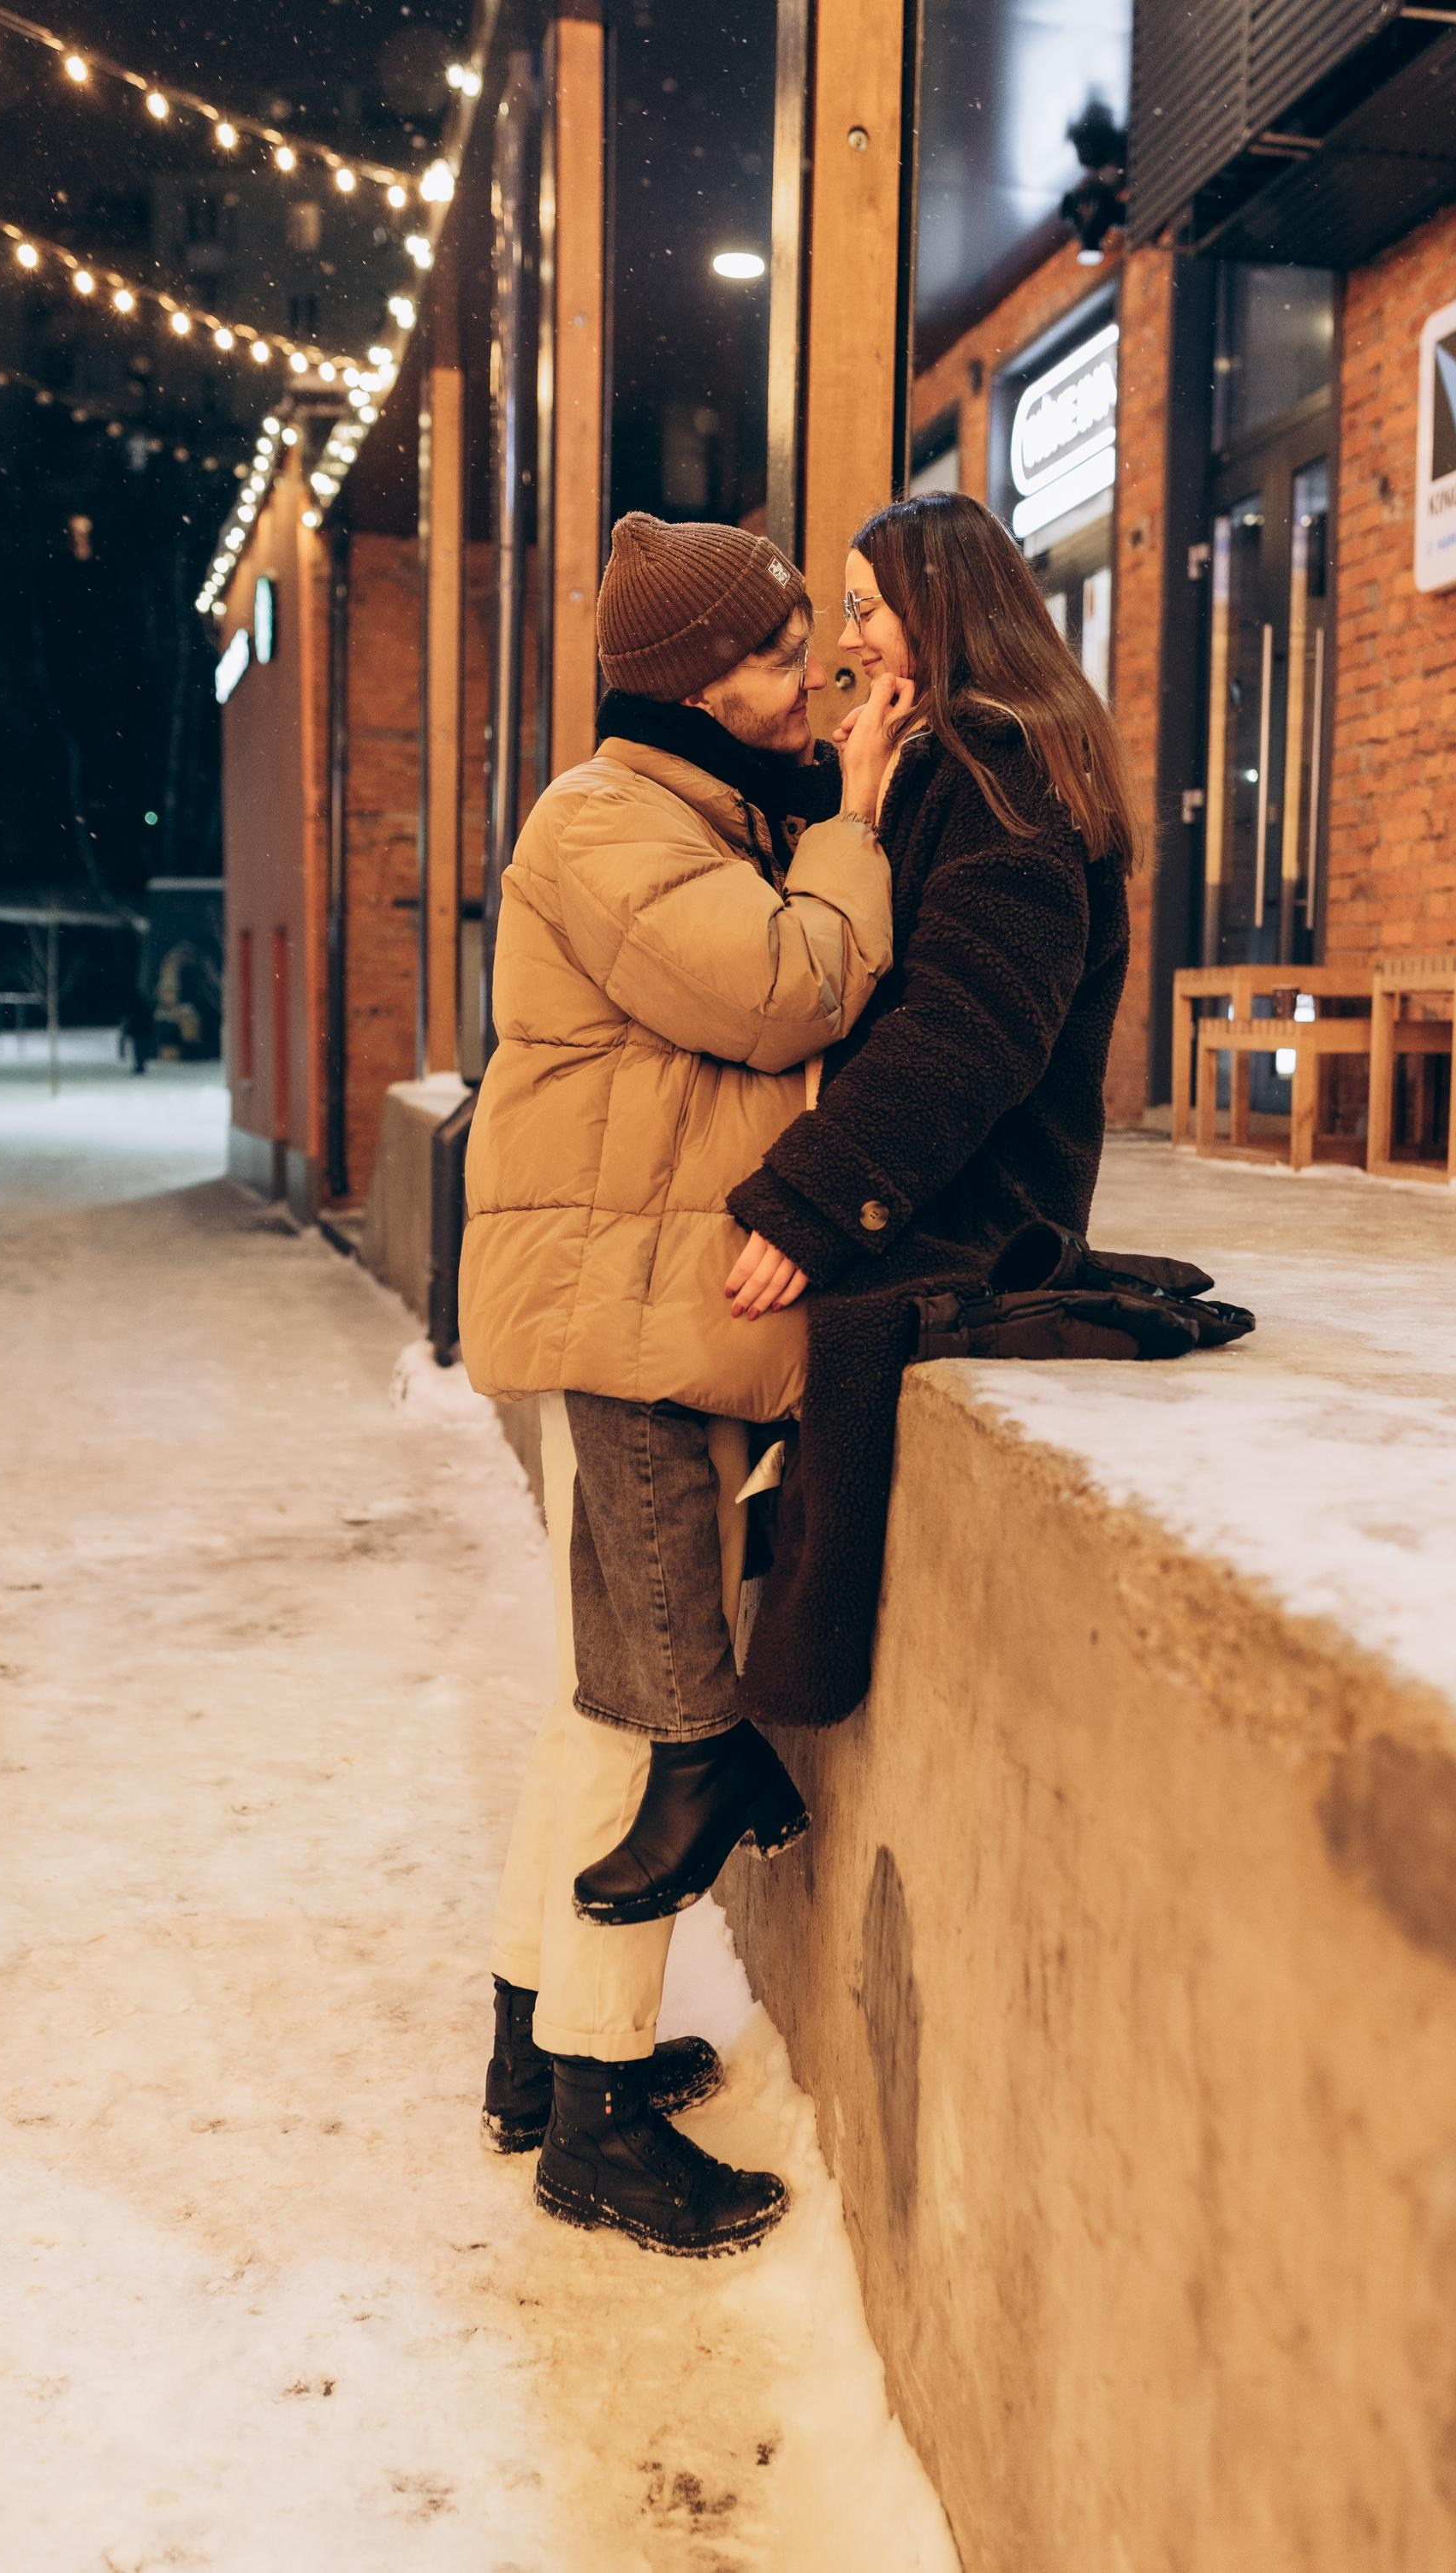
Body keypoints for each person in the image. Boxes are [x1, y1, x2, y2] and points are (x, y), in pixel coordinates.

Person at [458, 511, 907, 2258]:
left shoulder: (684, 811)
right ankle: (593, 2115)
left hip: (640, 1310)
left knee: (605, 1707)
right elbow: (789, 990)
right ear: (702, 680)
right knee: (662, 1724)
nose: (819, 676)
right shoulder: (606, 822)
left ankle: (536, 2052)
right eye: (786, 653)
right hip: (628, 1319)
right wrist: (857, 818)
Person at [718, 489, 1136, 1729]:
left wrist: (815, 1200)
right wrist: (856, 788)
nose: (849, 642)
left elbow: (974, 1022)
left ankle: (727, 1710)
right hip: (936, 1169)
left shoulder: (1004, 767)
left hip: (979, 1194)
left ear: (941, 607)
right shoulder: (942, 758)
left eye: (867, 610)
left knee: (734, 1319)